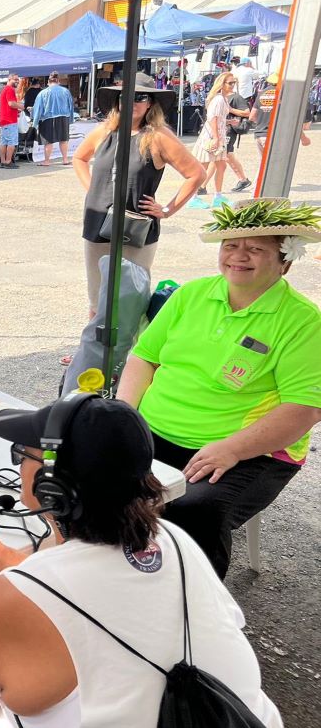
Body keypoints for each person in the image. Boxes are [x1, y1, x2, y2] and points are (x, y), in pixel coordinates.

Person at [0, 396, 282, 728]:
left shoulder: (17, 594)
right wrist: (2, 557)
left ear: (51, 485)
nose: (18, 464)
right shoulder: (174, 540)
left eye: (20, 456)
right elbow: (82, 600)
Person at [117, 214, 321, 579]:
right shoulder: (192, 294)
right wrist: (123, 417)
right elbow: (143, 358)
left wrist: (231, 449)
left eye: (255, 248)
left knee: (194, 507)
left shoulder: (303, 322)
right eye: (231, 246)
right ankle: (111, 576)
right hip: (155, 430)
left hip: (246, 450)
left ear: (285, 259)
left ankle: (196, 610)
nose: (238, 256)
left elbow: (303, 409)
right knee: (86, 470)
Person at [73, 73, 204, 316]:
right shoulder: (103, 132)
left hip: (136, 228)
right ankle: (94, 353)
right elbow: (79, 158)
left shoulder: (158, 137)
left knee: (131, 298)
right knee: (97, 296)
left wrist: (166, 210)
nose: (132, 102)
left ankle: (131, 353)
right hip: (98, 222)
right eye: (126, 96)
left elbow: (196, 173)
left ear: (150, 103)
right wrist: (93, 188)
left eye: (140, 97)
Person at [189, 72, 237, 209]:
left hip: (217, 137)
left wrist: (228, 122)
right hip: (212, 137)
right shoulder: (219, 99)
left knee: (221, 166)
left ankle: (217, 196)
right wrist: (216, 137)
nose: (233, 85)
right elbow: (212, 118)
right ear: (222, 84)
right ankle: (193, 197)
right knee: (201, 169)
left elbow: (217, 118)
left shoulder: (222, 98)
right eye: (230, 83)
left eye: (234, 82)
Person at [251, 72, 313, 156]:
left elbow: (252, 117)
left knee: (266, 167)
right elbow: (291, 120)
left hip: (259, 135)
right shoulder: (285, 95)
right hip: (275, 137)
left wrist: (264, 122)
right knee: (277, 166)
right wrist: (303, 138)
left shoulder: (262, 93)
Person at [32, 71, 75, 166]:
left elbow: (38, 108)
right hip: (63, 117)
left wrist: (34, 122)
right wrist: (71, 119)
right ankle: (65, 159)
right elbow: (71, 106)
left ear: (48, 82)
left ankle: (47, 161)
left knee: (48, 141)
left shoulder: (43, 93)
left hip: (47, 119)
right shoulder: (65, 91)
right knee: (63, 140)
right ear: (58, 81)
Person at [0, 73, 22, 169]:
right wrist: (21, 106)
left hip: (4, 119)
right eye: (15, 79)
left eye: (18, 79)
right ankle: (8, 161)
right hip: (10, 120)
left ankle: (3, 161)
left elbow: (9, 105)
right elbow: (11, 103)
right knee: (11, 141)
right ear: (9, 79)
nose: (17, 81)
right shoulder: (10, 89)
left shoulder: (5, 89)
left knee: (4, 142)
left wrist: (16, 110)